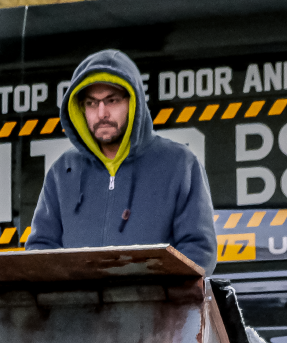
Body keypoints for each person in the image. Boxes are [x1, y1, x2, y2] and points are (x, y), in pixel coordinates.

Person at [25, 49, 216, 272]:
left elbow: (198, 251)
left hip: (155, 307)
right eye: (91, 103)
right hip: (80, 308)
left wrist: (149, 297)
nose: (101, 113)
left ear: (133, 102)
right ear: (80, 109)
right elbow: (41, 250)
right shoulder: (62, 171)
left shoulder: (179, 164)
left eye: (112, 100)